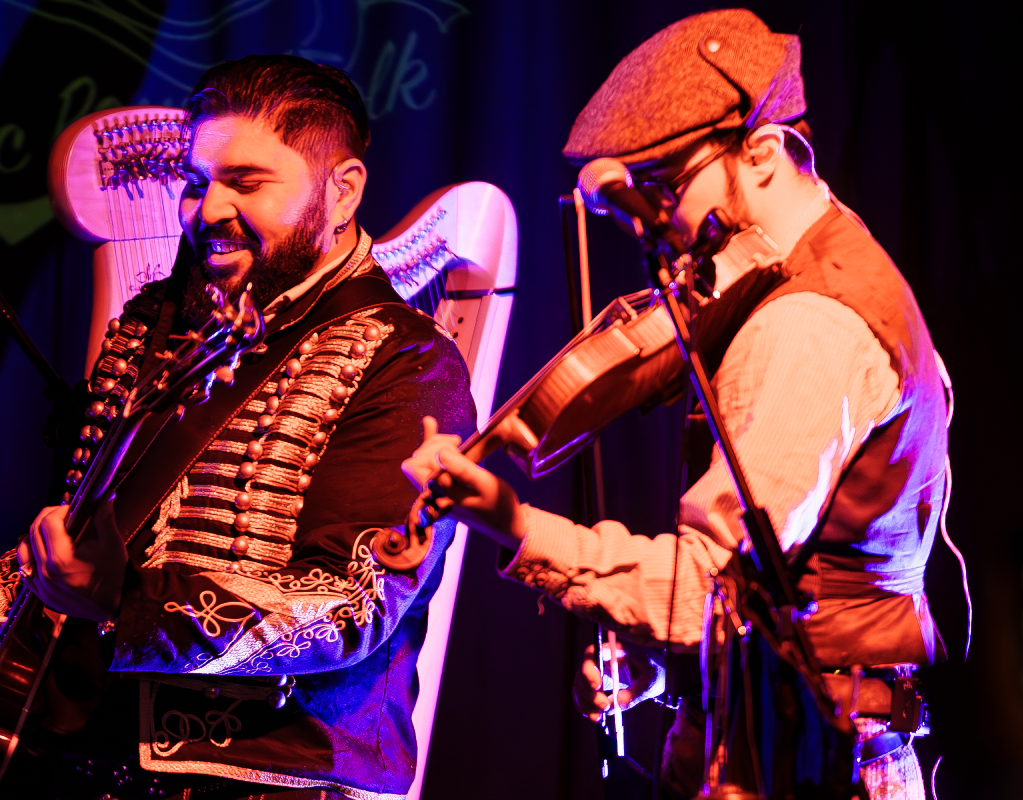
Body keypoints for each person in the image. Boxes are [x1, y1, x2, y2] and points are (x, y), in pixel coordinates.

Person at [403, 10, 953, 800]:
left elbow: (707, 590)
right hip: (782, 735)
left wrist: (517, 525)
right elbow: (779, 594)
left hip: (805, 769)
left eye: (668, 187)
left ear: (760, 156)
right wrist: (657, 674)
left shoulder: (807, 324)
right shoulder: (828, 256)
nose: (658, 224)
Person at [0, 55, 474, 800]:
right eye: (197, 183)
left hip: (279, 775)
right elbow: (68, 527)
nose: (207, 211)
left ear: (343, 191)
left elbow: (350, 603)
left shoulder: (407, 359)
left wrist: (120, 606)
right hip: (87, 749)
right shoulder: (157, 322)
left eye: (246, 181)